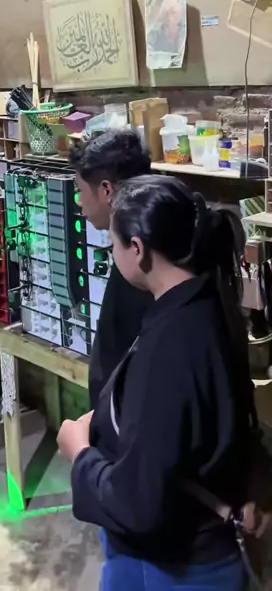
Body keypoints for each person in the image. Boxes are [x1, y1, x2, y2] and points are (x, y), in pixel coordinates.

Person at [58, 174, 257, 590]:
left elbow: (138, 502)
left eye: (113, 245)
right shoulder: (208, 301)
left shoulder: (171, 346)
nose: (113, 254)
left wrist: (80, 454)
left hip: (176, 567)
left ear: (137, 249)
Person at [69, 130, 152, 406]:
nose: (78, 200)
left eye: (80, 190)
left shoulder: (139, 266)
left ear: (106, 190)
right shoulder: (147, 242)